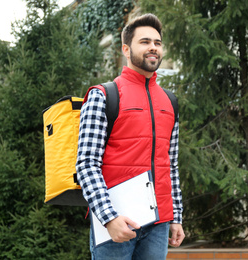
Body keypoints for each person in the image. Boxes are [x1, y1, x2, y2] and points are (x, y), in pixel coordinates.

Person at [76, 13, 185, 260]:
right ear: (126, 49)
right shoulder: (103, 96)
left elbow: (171, 165)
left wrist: (175, 216)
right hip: (115, 224)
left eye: (157, 42)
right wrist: (109, 218)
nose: (153, 48)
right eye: (145, 42)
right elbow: (86, 164)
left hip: (159, 224)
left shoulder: (170, 102)